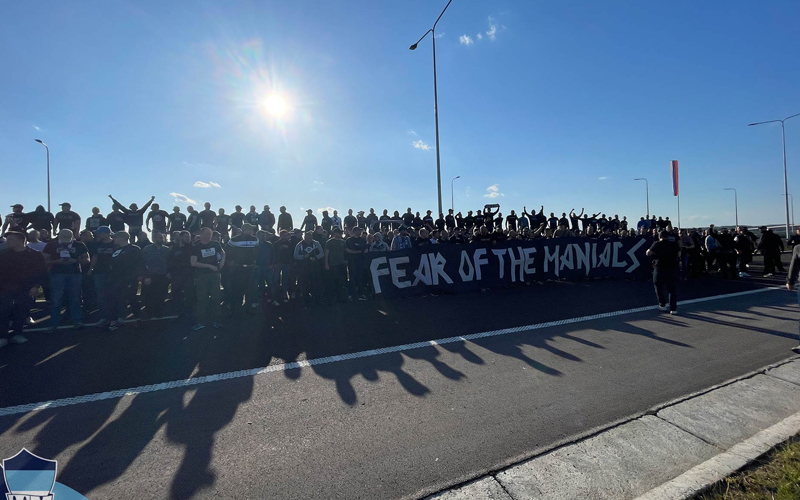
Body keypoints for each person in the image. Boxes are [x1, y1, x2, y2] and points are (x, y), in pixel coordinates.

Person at [0, 231, 47, 347]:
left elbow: (41, 272)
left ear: (20, 240)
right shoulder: (3, 254)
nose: (7, 242)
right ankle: (3, 337)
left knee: (21, 310)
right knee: (3, 311)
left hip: (26, 287)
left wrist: (36, 286)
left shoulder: (34, 255)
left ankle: (17, 334)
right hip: (5, 287)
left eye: (10, 239)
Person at [43, 229, 90, 332]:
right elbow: (44, 261)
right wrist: (57, 261)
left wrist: (76, 260)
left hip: (75, 274)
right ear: (59, 236)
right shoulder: (51, 245)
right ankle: (53, 324)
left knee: (75, 298)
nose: (65, 241)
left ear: (72, 237)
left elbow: (86, 260)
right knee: (56, 299)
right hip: (56, 274)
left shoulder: (79, 245)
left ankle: (77, 321)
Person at [106, 231, 144, 330]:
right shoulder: (116, 249)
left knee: (132, 298)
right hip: (115, 279)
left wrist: (141, 276)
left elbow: (140, 263)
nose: (113, 239)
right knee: (113, 299)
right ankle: (114, 321)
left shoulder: (134, 249)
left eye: (115, 237)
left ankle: (138, 318)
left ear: (122, 238)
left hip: (129, 279)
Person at [190, 227, 225, 330]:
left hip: (215, 275)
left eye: (210, 234)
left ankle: (216, 320)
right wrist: (209, 266)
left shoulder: (215, 244)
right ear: (201, 235)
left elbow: (223, 253)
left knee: (216, 297)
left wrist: (222, 261)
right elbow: (193, 263)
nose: (208, 236)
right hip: (202, 275)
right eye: (206, 234)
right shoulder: (196, 247)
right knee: (202, 299)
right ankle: (201, 321)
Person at [226, 223, 259, 316]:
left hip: (250, 268)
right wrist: (230, 261)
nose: (251, 231)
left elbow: (257, 252)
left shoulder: (255, 240)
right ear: (244, 229)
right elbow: (226, 251)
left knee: (248, 289)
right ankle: (234, 309)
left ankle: (247, 309)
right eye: (249, 229)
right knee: (236, 289)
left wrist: (255, 261)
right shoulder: (234, 240)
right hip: (237, 267)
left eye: (251, 229)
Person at [87, 226, 116, 327]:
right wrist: (91, 268)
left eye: (100, 233)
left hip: (113, 273)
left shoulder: (115, 244)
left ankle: (116, 316)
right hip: (99, 272)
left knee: (113, 295)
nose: (97, 235)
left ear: (106, 233)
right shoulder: (96, 244)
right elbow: (94, 257)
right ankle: (104, 317)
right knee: (101, 295)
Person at [646, 230, 681, 314]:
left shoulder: (656, 244)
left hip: (659, 267)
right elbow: (679, 254)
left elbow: (648, 253)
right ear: (668, 236)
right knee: (672, 289)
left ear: (659, 236)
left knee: (658, 286)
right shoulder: (674, 244)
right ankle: (673, 308)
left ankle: (662, 305)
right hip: (671, 268)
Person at [141, 231, 171, 319]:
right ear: (154, 239)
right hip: (150, 276)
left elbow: (170, 262)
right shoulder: (147, 249)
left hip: (163, 276)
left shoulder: (167, 249)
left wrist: (169, 272)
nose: (161, 239)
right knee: (148, 295)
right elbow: (142, 263)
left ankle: (159, 312)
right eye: (159, 237)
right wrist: (146, 276)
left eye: (162, 237)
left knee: (161, 295)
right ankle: (148, 312)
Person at [167, 231, 196, 322]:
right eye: (186, 236)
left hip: (189, 275)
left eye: (189, 237)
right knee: (176, 294)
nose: (188, 238)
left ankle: (190, 313)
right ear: (180, 237)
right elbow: (169, 261)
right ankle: (180, 313)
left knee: (189, 295)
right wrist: (168, 271)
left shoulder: (193, 248)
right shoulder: (173, 249)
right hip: (176, 276)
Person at [294, 230, 324, 306]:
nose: (309, 239)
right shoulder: (299, 244)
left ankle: (317, 299)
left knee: (315, 283)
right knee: (304, 284)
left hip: (314, 267)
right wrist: (303, 257)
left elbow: (322, 253)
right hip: (303, 267)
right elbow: (295, 255)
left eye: (310, 237)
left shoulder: (316, 243)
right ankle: (306, 300)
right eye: (307, 237)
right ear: (304, 237)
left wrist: (316, 257)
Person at [324, 227, 348, 304]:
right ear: (334, 234)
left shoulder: (343, 242)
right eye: (339, 233)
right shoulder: (329, 242)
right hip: (333, 264)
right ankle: (332, 299)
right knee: (332, 283)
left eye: (341, 233)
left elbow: (345, 251)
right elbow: (326, 254)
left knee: (341, 282)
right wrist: (326, 264)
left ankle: (340, 298)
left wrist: (345, 260)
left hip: (341, 264)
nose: (341, 234)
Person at [784, 243, 800, 353]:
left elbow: (794, 264)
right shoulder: (798, 248)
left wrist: (790, 281)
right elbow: (794, 265)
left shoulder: (798, 247)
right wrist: (790, 280)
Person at [345, 226, 368, 300]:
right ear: (354, 231)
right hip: (352, 262)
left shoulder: (363, 240)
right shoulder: (349, 240)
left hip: (360, 262)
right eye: (358, 231)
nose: (360, 232)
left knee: (360, 278)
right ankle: (351, 294)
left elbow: (365, 250)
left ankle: (360, 293)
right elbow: (347, 250)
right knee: (352, 278)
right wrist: (356, 252)